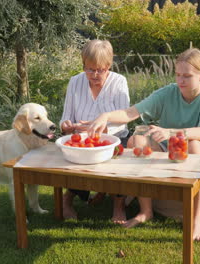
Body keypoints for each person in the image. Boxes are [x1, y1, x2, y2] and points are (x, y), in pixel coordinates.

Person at [86, 48, 200, 240]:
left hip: (194, 144)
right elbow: (131, 113)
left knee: (195, 145)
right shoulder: (168, 93)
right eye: (178, 75)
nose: (180, 81)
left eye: (187, 76)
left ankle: (196, 219)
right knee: (136, 140)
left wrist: (171, 132)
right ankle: (145, 211)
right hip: (167, 144)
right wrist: (105, 116)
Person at [59, 39, 130, 223]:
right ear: (83, 65)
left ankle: (118, 204)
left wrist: (103, 127)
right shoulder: (75, 81)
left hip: (113, 139)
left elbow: (124, 121)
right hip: (82, 139)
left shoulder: (119, 82)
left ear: (109, 66)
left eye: (100, 69)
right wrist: (65, 125)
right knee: (77, 156)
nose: (94, 74)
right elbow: (66, 117)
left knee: (117, 158)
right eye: (89, 69)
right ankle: (67, 199)